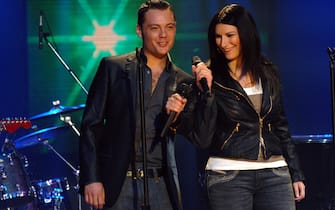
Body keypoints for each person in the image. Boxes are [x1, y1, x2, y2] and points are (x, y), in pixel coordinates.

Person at [174, 3, 306, 210]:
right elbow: (202, 137)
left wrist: (295, 173)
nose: (223, 43)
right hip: (228, 174)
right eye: (218, 37)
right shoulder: (209, 77)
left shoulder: (268, 72)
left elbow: (281, 126)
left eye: (230, 35)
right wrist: (206, 93)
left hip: (275, 172)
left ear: (245, 35)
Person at [78, 1, 193, 209]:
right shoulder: (114, 68)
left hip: (161, 186)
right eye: (154, 28)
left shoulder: (183, 82)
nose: (163, 35)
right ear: (139, 30)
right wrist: (92, 178)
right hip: (118, 184)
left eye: (169, 27)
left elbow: (196, 134)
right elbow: (90, 126)